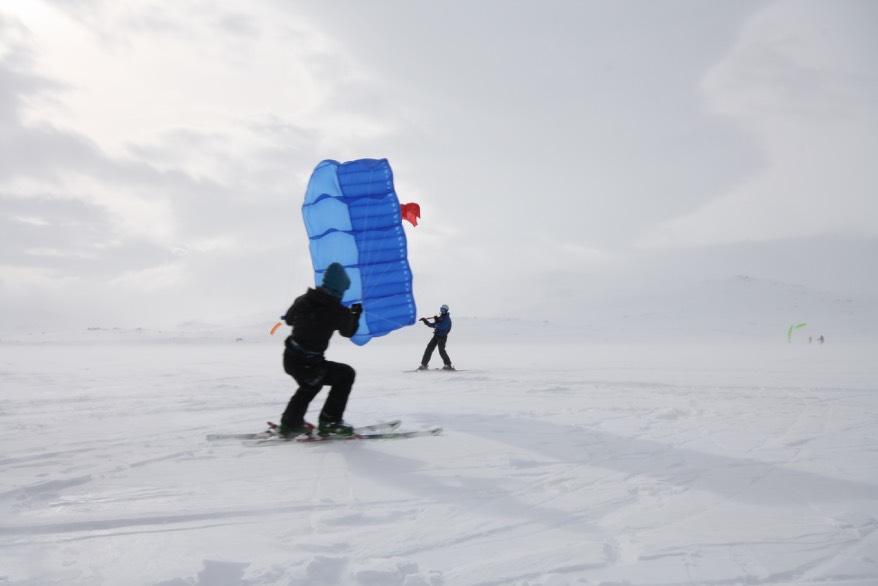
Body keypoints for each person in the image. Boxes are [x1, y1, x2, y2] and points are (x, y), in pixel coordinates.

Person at [278, 262, 362, 437]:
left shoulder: (303, 300)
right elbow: (348, 332)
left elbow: (289, 320)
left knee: (310, 385)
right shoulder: (337, 310)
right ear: (340, 288)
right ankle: (330, 422)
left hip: (291, 358)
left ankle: (290, 423)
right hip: (310, 364)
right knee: (346, 375)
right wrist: (355, 315)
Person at [418, 304, 454, 370]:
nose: (442, 311)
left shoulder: (447, 319)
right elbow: (433, 325)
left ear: (446, 310)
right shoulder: (440, 317)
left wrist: (437, 321)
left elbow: (442, 326)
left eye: (443, 310)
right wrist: (426, 321)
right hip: (436, 336)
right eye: (441, 309)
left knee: (441, 350)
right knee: (429, 349)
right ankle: (423, 365)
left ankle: (448, 365)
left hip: (442, 337)